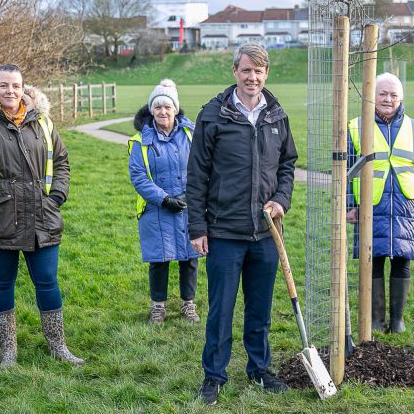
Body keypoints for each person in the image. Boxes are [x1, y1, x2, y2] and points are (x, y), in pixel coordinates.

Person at [187, 44, 298, 405]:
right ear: (234, 71)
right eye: (246, 71)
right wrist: (197, 228)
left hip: (265, 232)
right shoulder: (213, 115)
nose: (253, 78)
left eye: (259, 72)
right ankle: (214, 376)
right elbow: (197, 174)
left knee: (260, 308)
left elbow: (287, 166)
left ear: (267, 74)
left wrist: (281, 200)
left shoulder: (277, 115)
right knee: (221, 309)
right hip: (223, 231)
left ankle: (259, 369)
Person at [0, 64, 83, 367]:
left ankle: (58, 346)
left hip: (42, 219)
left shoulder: (43, 123)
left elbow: (62, 162)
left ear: (25, 88)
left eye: (15, 86)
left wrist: (56, 198)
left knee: (48, 281)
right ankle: (8, 353)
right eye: (3, 86)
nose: (10, 92)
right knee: (1, 283)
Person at [347, 72, 414, 334]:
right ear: (372, 96)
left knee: (402, 259)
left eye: (393, 95)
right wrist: (347, 206)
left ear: (401, 98)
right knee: (372, 259)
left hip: (405, 206)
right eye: (382, 94)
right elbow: (345, 171)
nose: (388, 99)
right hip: (369, 206)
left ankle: (397, 321)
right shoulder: (356, 127)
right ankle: (375, 320)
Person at [128, 79, 201, 324]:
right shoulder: (141, 140)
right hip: (156, 209)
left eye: (167, 107)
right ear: (151, 110)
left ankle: (188, 304)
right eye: (158, 107)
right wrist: (164, 198)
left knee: (189, 257)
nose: (163, 112)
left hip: (187, 205)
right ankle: (157, 306)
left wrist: (189, 195)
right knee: (158, 259)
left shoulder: (190, 134)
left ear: (175, 109)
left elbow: (201, 167)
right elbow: (138, 176)